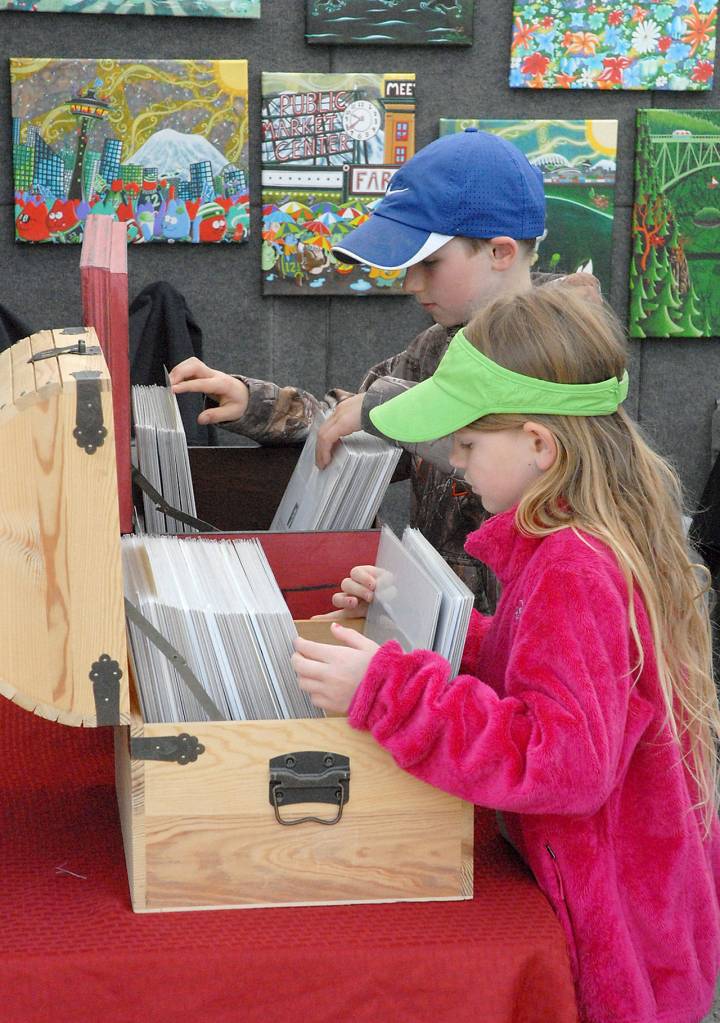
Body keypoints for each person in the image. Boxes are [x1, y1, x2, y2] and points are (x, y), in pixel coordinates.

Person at [291, 287, 720, 1023]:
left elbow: (564, 761)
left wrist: (388, 689)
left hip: (603, 945)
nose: (456, 467)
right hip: (620, 906)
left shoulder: (572, 568)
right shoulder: (581, 543)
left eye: (466, 445)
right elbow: (553, 668)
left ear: (539, 445)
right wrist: (435, 628)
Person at [170, 128, 596, 612]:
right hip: (451, 620)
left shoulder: (568, 352)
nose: (411, 282)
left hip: (536, 618)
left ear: (500, 252)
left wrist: (381, 409)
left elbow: (528, 458)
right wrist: (256, 403)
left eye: (430, 262)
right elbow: (349, 417)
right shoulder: (438, 344)